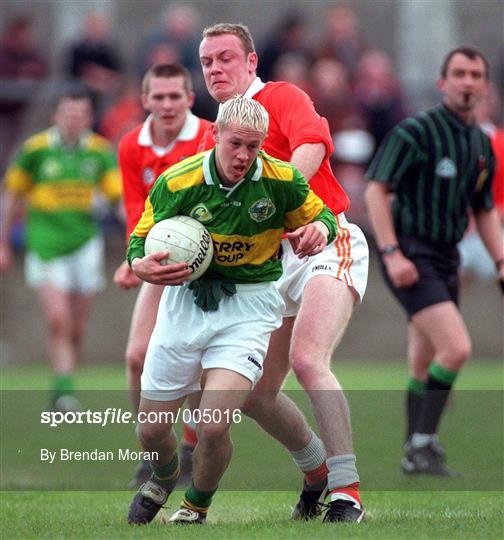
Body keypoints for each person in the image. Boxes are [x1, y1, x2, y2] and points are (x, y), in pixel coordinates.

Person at [126, 95, 338, 525]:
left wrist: (318, 228)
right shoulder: (177, 182)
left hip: (249, 306)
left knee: (213, 422)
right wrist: (139, 264)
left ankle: (195, 507)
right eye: (235, 144)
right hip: (185, 303)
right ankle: (164, 476)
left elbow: (324, 217)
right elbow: (139, 238)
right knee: (151, 429)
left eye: (254, 146)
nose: (244, 155)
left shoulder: (281, 180)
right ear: (215, 135)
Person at [198, 24, 368, 523]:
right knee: (255, 392)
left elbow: (313, 143)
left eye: (226, 58)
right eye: (207, 61)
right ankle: (315, 471)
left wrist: (289, 205)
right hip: (269, 266)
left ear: (251, 62)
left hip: (321, 238)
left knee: (310, 359)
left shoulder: (280, 96)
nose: (215, 68)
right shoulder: (219, 135)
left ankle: (347, 493)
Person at [364, 46, 504, 476]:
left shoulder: (481, 144)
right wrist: (390, 252)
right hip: (411, 254)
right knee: (457, 347)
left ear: (483, 85)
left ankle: (414, 453)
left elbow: (483, 209)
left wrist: (500, 259)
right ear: (443, 83)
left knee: (424, 361)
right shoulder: (415, 132)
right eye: (458, 73)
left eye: (474, 75)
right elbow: (374, 190)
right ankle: (424, 441)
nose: (467, 81)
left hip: (447, 257)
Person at [112, 63, 210, 487]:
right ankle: (153, 451)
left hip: (210, 265)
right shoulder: (132, 145)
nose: (167, 104)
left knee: (199, 365)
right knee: (137, 356)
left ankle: (190, 447)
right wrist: (134, 258)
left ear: (190, 98)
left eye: (176, 96)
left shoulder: (209, 135)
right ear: (144, 100)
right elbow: (137, 209)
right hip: (162, 262)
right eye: (159, 97)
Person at [0, 88, 121, 410]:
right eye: (68, 113)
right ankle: (66, 390)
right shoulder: (36, 150)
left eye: (80, 114)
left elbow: (116, 196)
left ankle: (62, 380)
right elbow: (12, 194)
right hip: (45, 243)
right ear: (56, 115)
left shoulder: (99, 151)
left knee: (77, 326)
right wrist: (3, 244)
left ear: (89, 118)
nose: (73, 120)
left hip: (85, 244)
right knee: (58, 318)